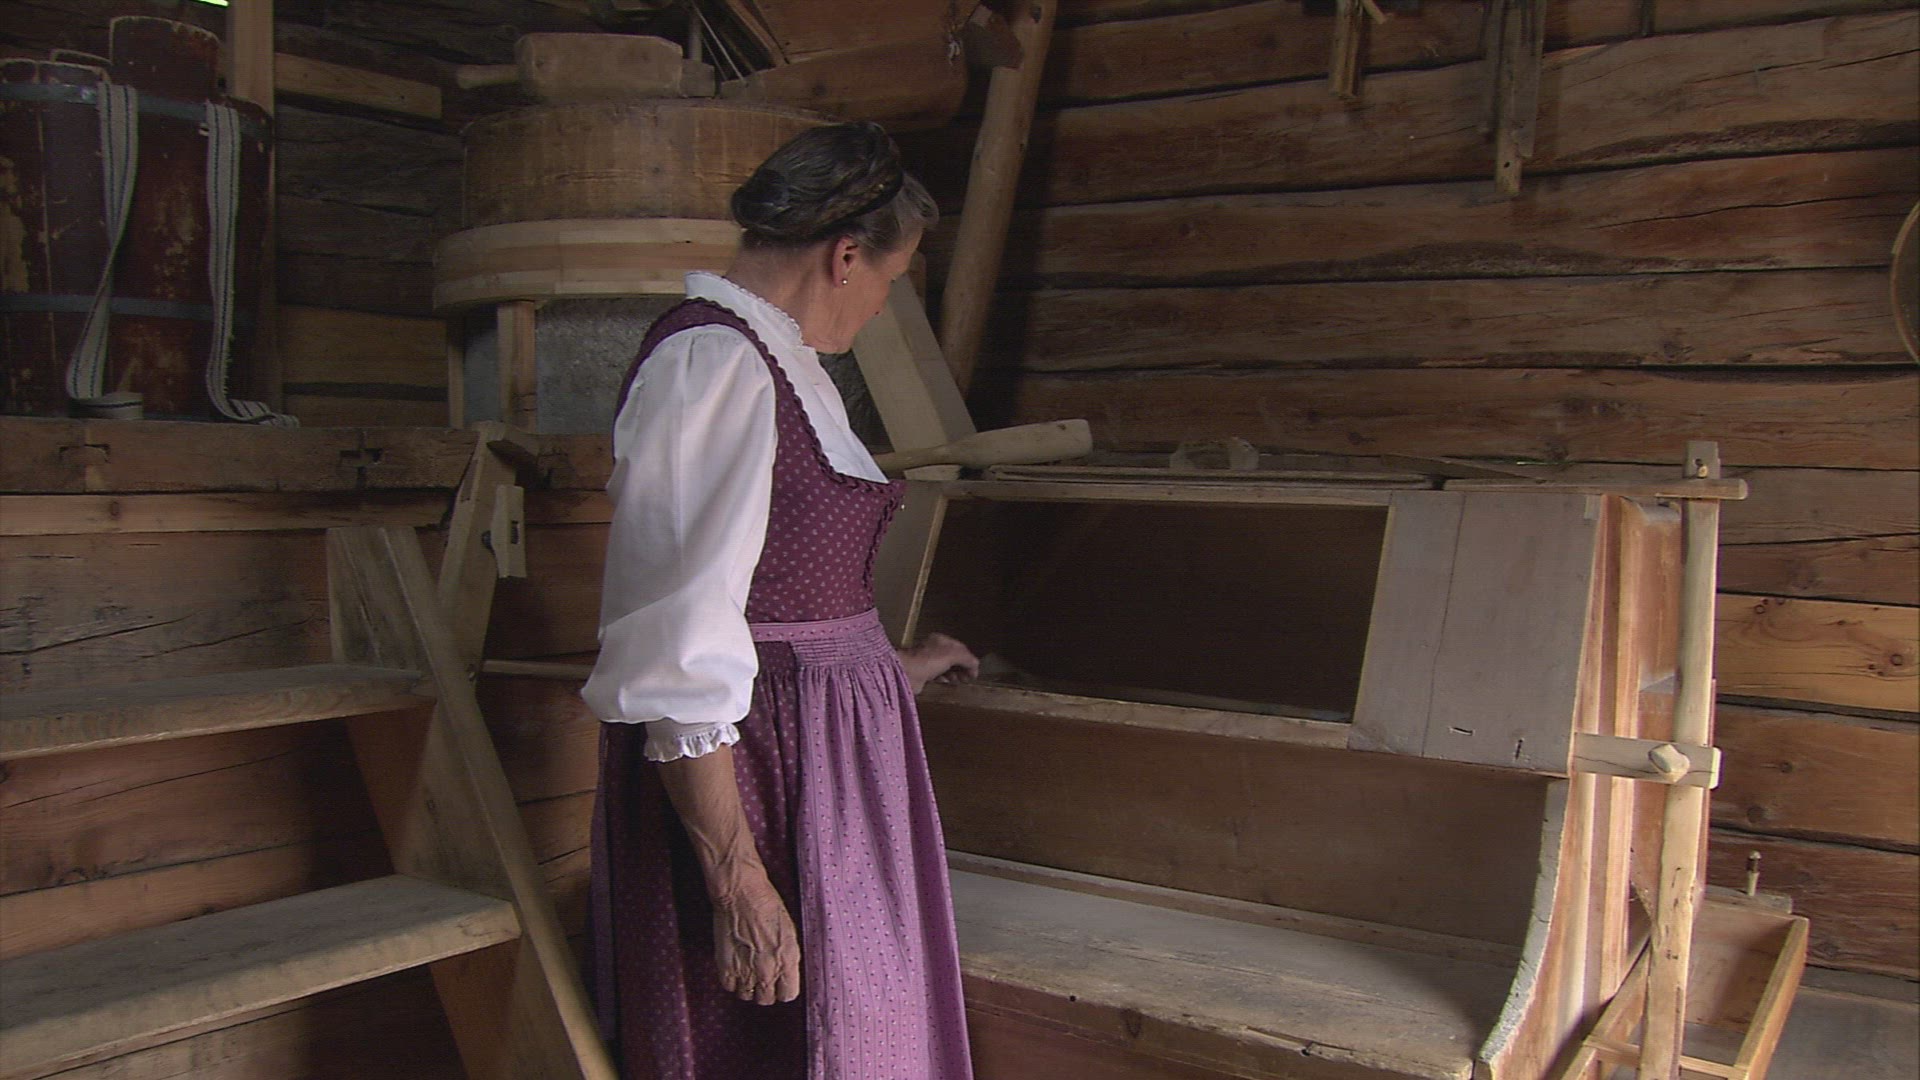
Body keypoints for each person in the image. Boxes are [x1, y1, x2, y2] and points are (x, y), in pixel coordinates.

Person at [582, 121, 980, 1080]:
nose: (881, 306)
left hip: (826, 756)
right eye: (891, 279)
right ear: (845, 256)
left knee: (860, 1032)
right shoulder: (713, 366)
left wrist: (884, 671)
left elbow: (789, 592)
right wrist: (737, 879)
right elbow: (681, 637)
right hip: (756, 776)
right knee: (761, 1038)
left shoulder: (779, 360)